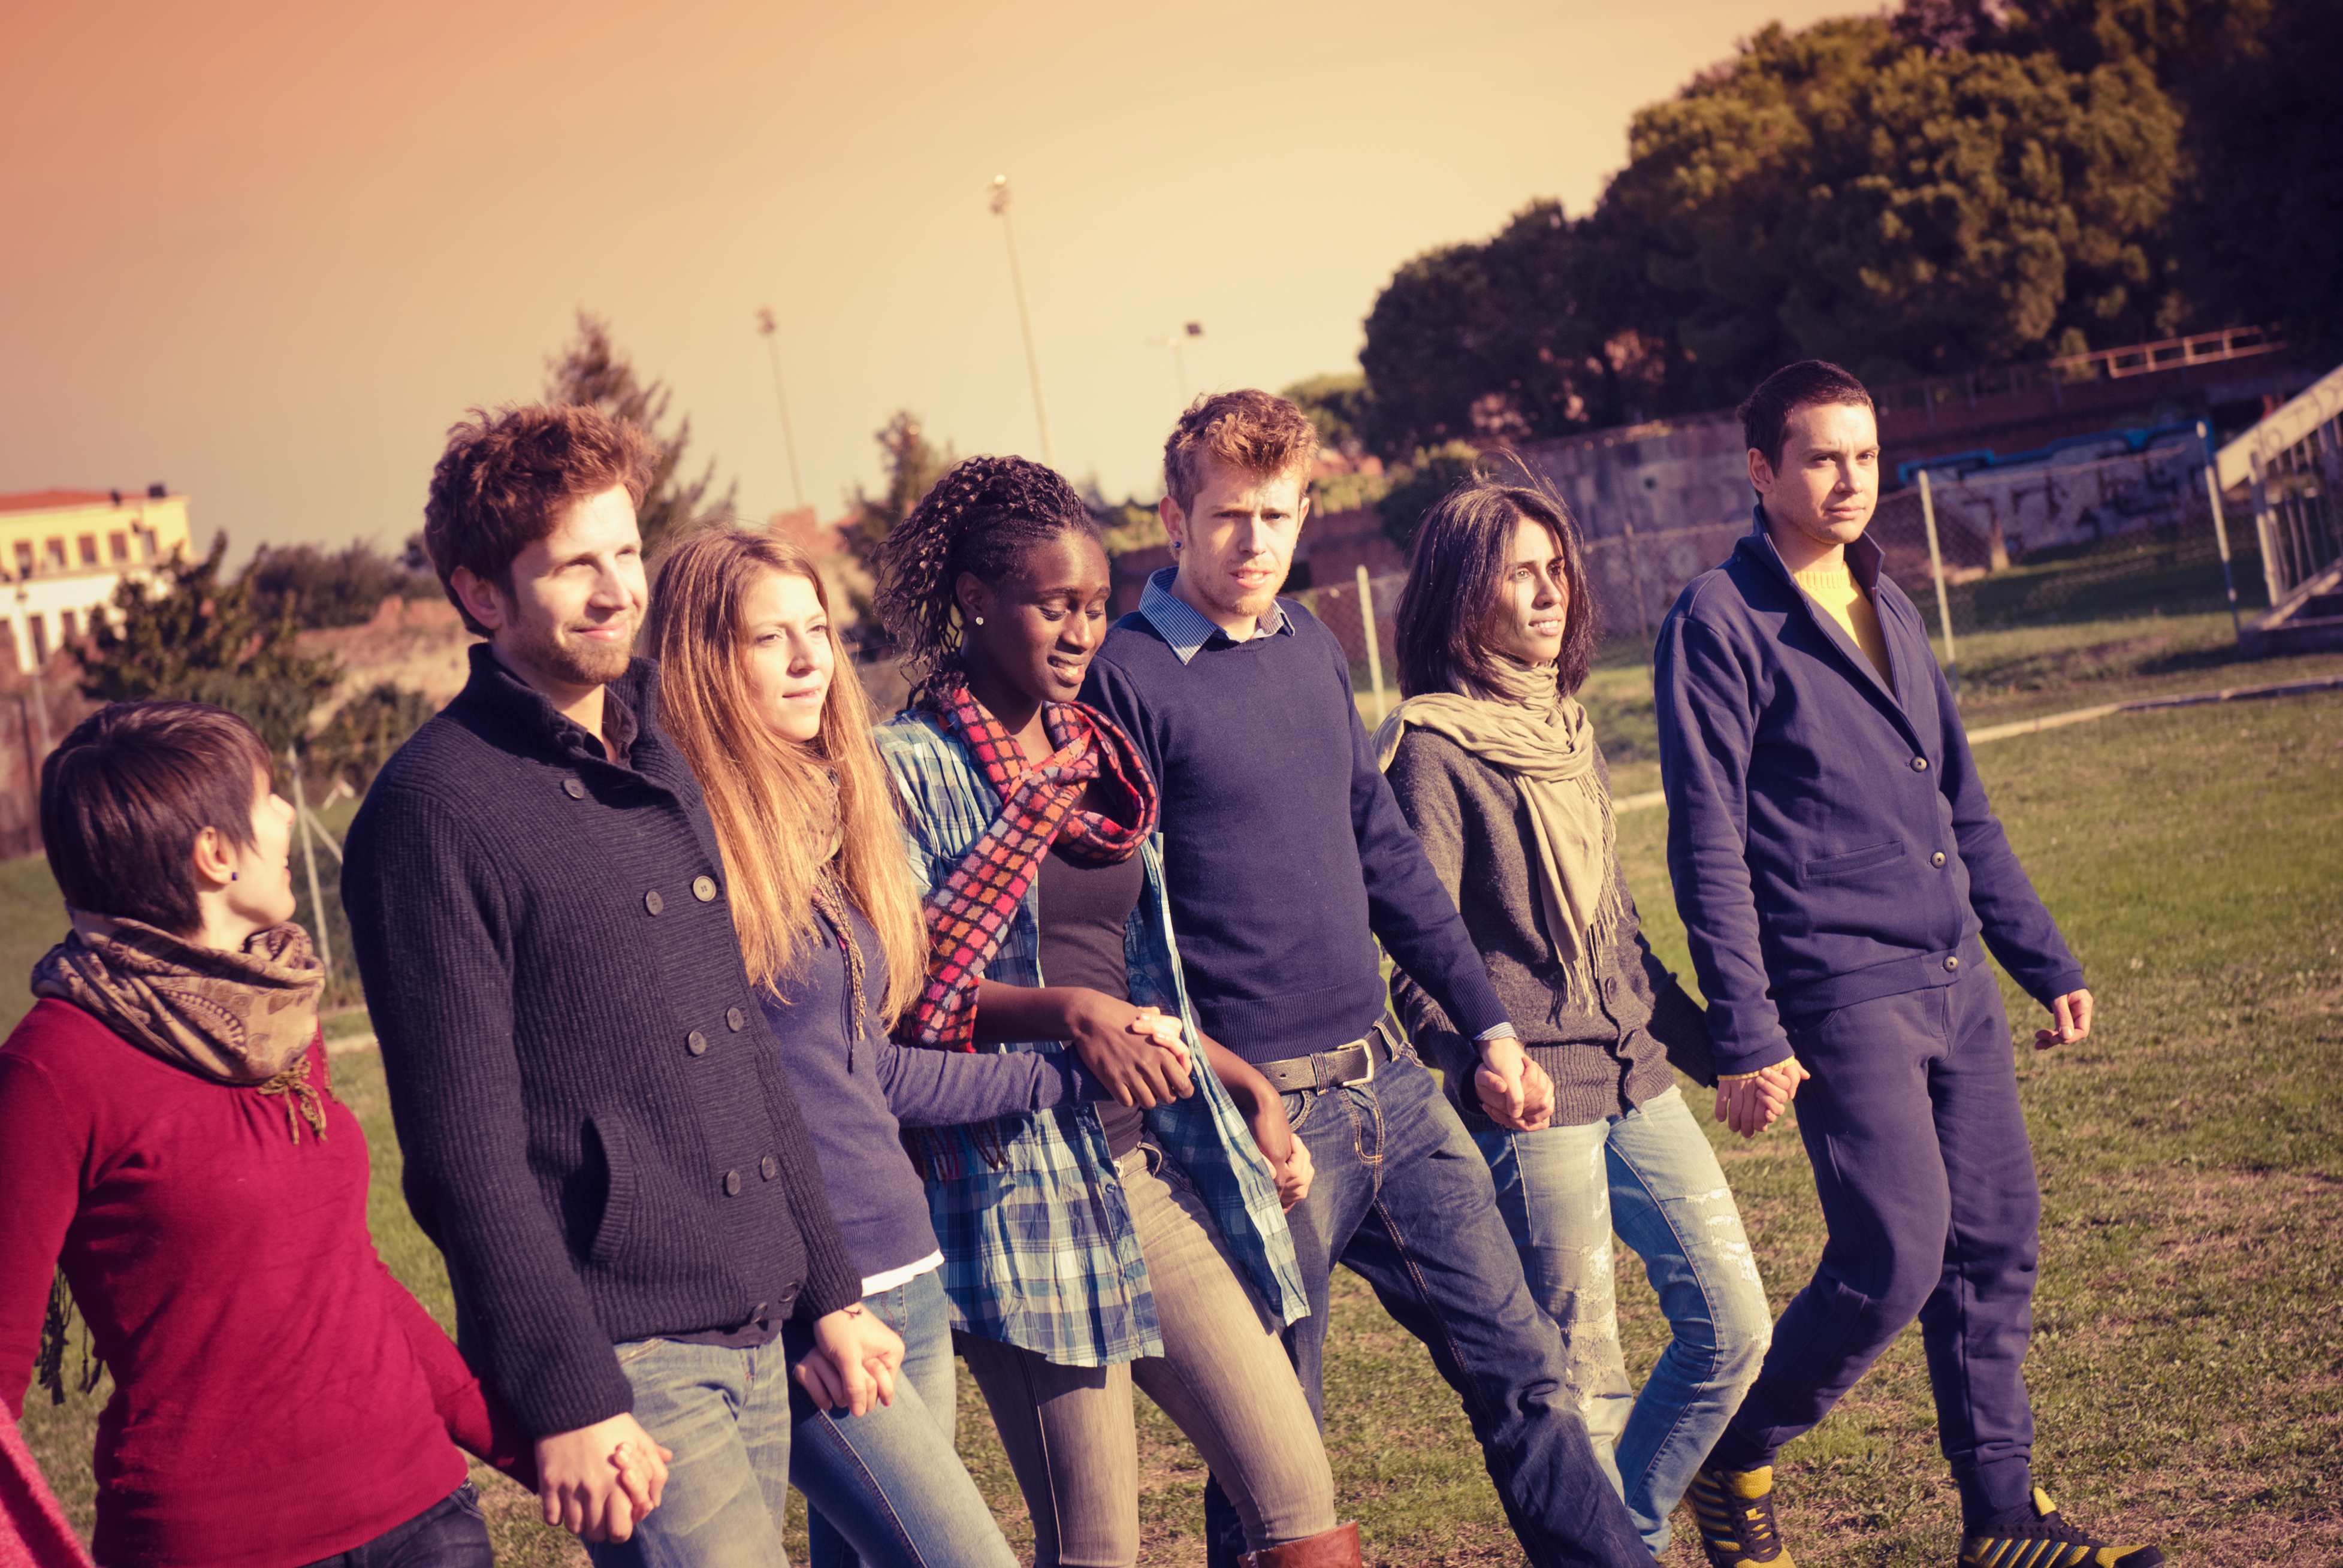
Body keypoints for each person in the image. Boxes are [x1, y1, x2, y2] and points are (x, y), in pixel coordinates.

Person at [1080, 392, 1651, 1568]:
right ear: (1170, 516)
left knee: (1526, 1376)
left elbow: (1380, 845)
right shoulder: (1122, 680)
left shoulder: (1308, 646)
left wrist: (1486, 1023)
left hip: (1392, 1091)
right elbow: (1103, 932)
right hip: (1253, 1128)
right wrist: (1216, 1100)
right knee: (1272, 1459)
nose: (1255, 542)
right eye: (1229, 516)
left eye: (1277, 515)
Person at [342, 403, 903, 1566]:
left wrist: (830, 1291)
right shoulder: (431, 811)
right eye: (572, 566)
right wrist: (569, 1391)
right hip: (630, 1361)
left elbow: (746, 1057)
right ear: (481, 593)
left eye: (626, 552)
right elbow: (462, 1156)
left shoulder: (659, 762)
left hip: (762, 1316)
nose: (615, 591)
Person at [1654, 360, 2162, 1568]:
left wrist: (2038, 956)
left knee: (1994, 1239)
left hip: (1955, 983)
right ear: (1759, 471)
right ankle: (1731, 1452)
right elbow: (1705, 844)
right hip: (1837, 991)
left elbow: (1963, 804)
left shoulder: (1895, 607)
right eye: (1820, 456)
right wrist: (1746, 1028)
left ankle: (1999, 1519)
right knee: (1894, 1249)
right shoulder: (1719, 622)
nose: (1846, 479)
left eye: (1864, 456)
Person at [647, 526, 1204, 1568]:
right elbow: (725, 1115)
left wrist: (1065, 1070)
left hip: (904, 1264)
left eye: (817, 629)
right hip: (809, 1296)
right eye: (773, 639)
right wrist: (819, 1299)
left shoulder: (817, 828)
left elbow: (875, 1074)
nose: (813, 658)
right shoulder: (686, 860)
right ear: (706, 664)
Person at [872, 457, 1352, 1568]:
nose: (1083, 631)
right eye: (1055, 605)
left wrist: (1245, 1087)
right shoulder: (907, 768)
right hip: (1010, 1185)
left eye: (1095, 605)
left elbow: (1145, 989)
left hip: (1140, 1167)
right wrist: (1064, 1012)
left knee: (1302, 1504)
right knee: (1099, 1550)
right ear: (977, 599)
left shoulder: (1095, 758)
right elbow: (896, 994)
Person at [0, 700, 538, 1568]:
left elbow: (343, 1275)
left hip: (425, 1517)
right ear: (214, 852)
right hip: (220, 1546)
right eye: (267, 798)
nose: (290, 816)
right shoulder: (55, 1065)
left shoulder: (276, 1019)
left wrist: (522, 1442)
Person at [1373, 478, 1785, 1558]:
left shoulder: (1565, 727)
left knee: (1733, 1327)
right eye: (1521, 571)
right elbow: (1416, 951)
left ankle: (1629, 1536)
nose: (1549, 591)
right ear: (1468, 595)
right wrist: (1477, 1067)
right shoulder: (1429, 746)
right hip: (1534, 1102)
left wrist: (1726, 1050)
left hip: (1634, 1074)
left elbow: (1619, 934)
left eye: (1556, 568)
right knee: (1581, 1378)